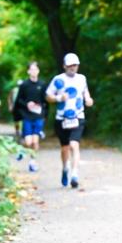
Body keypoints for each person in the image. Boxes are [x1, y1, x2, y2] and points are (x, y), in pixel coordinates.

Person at [46, 53, 93, 189]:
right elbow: (48, 96)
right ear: (64, 66)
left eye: (75, 65)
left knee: (74, 145)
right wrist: (59, 98)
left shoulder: (82, 79)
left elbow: (86, 94)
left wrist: (89, 100)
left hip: (78, 117)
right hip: (62, 118)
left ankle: (74, 175)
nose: (73, 67)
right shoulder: (58, 80)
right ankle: (65, 168)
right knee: (65, 148)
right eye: (70, 65)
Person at [13, 61, 47, 172]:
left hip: (38, 116)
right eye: (31, 69)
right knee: (28, 142)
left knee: (35, 141)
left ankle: (33, 162)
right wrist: (27, 105)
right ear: (28, 71)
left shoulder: (42, 84)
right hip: (27, 116)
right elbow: (18, 101)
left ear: (38, 71)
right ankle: (22, 150)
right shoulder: (24, 85)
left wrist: (44, 113)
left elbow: (45, 101)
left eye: (35, 69)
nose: (34, 71)